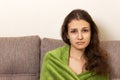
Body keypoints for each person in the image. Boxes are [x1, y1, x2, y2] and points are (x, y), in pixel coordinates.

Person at [40, 9, 109, 80]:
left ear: (91, 33)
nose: (80, 37)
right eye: (74, 31)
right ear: (67, 34)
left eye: (85, 30)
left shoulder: (99, 63)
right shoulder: (52, 59)